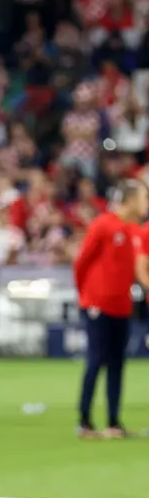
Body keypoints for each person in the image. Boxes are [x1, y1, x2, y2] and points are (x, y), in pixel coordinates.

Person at [74, 180, 149, 439]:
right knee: (96, 360)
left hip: (122, 306)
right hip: (98, 304)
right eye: (143, 199)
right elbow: (82, 262)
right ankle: (84, 421)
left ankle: (114, 422)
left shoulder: (135, 232)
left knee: (117, 363)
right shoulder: (103, 225)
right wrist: (86, 296)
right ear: (129, 200)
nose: (145, 205)